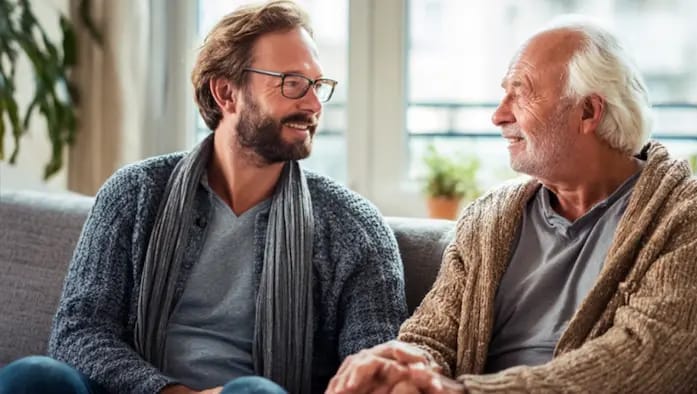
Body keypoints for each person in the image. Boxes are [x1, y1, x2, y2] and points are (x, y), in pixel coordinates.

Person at [0, 1, 407, 394]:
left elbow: (373, 367)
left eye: (318, 85)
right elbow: (78, 332)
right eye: (293, 83)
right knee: (33, 376)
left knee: (253, 393)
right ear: (226, 93)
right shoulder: (135, 193)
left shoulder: (354, 228)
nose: (314, 104)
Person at [326, 15, 697, 394]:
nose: (498, 115)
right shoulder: (488, 219)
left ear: (588, 111)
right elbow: (433, 337)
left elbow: (652, 360)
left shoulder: (688, 211)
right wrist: (401, 365)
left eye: (519, 95)